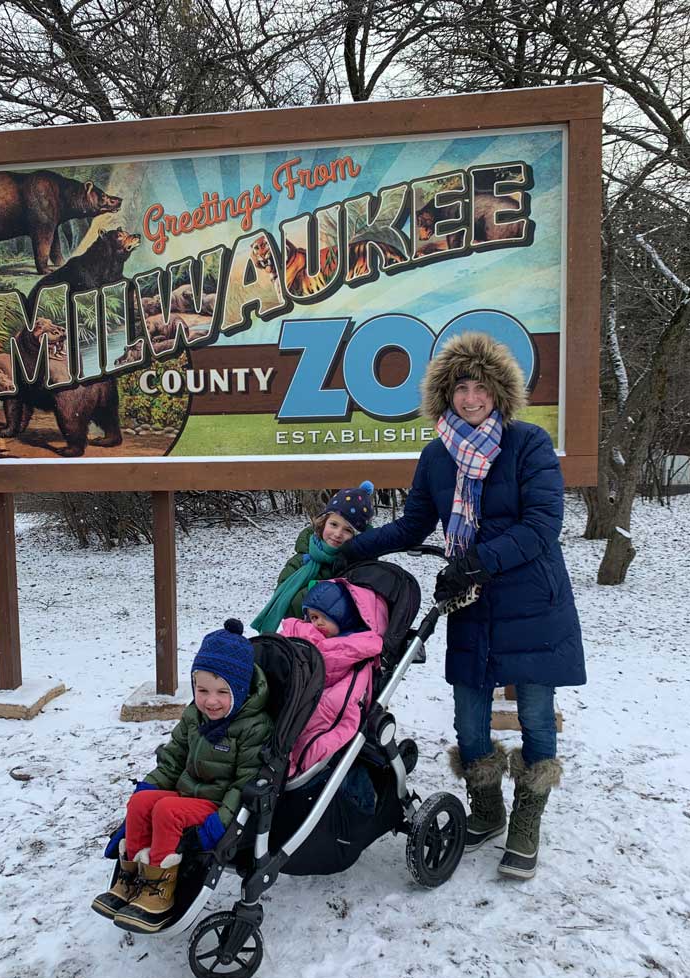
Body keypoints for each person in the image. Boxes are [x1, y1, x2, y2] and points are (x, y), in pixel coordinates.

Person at [340, 331, 586, 879]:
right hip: (470, 603)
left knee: (536, 714)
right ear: (445, 396)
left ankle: (527, 819)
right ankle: (488, 807)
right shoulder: (437, 455)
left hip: (532, 600)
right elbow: (414, 524)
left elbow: (543, 526)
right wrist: (350, 549)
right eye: (460, 388)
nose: (470, 398)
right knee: (468, 717)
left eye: (480, 387)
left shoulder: (528, 445)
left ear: (499, 392)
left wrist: (479, 560)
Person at [91, 619, 273, 933]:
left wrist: (224, 822)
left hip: (215, 804)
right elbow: (174, 758)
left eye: (222, 692)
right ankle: (131, 875)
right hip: (187, 792)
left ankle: (159, 891)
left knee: (165, 810)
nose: (210, 700)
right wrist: (149, 785)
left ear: (240, 691)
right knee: (141, 803)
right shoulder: (194, 715)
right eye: (202, 690)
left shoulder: (253, 726)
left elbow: (245, 780)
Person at [279, 580, 387, 778]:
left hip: (325, 698)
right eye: (312, 618)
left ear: (342, 615)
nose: (316, 623)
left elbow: (342, 700)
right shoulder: (306, 638)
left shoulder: (356, 649)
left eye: (323, 617)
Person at [251, 481, 374, 633]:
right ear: (323, 523)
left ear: (357, 537)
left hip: (343, 639)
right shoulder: (302, 560)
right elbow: (286, 604)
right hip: (302, 635)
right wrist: (318, 591)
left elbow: (362, 608)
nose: (337, 534)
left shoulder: (360, 566)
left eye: (348, 530)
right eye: (334, 524)